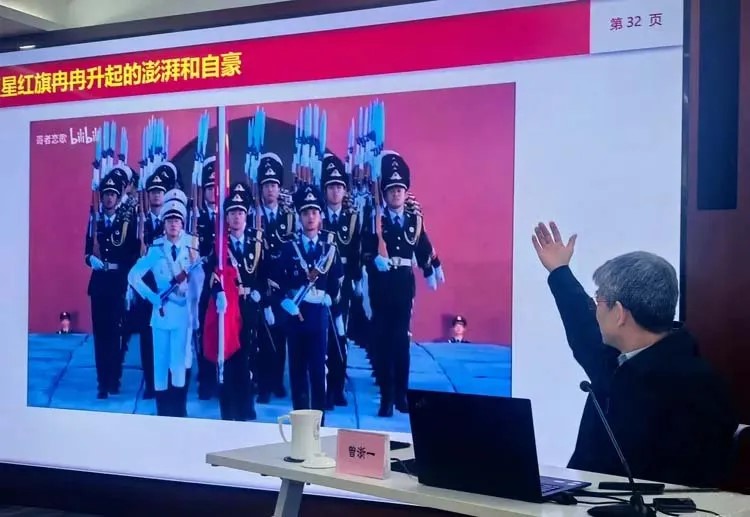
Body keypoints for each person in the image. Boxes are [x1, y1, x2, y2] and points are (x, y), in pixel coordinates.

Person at [531, 221, 738, 488]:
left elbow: (694, 482)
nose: (595, 310)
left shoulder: (697, 388)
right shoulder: (616, 359)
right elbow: (581, 324)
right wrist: (559, 271)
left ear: (619, 314)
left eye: (598, 301)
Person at [362, 151, 440, 417]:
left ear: (406, 193)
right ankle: (386, 398)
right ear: (384, 193)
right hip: (381, 286)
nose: (396, 194)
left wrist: (430, 268)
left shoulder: (414, 220)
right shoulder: (375, 220)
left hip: (404, 286)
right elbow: (364, 250)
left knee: (402, 342)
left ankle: (401, 395)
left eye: (400, 190)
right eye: (391, 190)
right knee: (384, 342)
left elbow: (422, 246)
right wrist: (373, 259)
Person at [127, 196, 204, 417]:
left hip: (182, 314)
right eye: (169, 220)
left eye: (177, 221)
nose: (173, 224)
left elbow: (198, 283)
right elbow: (133, 276)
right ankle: (162, 411)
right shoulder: (156, 250)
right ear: (164, 224)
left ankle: (178, 411)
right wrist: (151, 297)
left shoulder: (191, 249)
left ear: (182, 224)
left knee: (179, 363)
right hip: (161, 313)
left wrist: (195, 311)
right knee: (160, 364)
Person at [275, 184, 343, 419]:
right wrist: (284, 301)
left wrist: (333, 303)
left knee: (317, 369)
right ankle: (300, 420)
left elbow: (336, 280)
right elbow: (278, 281)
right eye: (305, 213)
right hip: (296, 314)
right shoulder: (289, 247)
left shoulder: (329, 247)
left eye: (314, 212)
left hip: (318, 315)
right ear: (299, 217)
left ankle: (318, 421)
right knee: (297, 370)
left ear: (320, 216)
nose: (310, 217)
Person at [203, 183, 265, 421]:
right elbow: (212, 274)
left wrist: (261, 294)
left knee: (249, 357)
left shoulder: (257, 241)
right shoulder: (220, 246)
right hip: (227, 309)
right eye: (232, 213)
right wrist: (217, 292)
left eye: (240, 212)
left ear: (246, 215)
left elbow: (266, 273)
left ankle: (247, 406)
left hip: (248, 306)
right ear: (226, 218)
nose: (236, 217)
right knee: (228, 357)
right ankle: (228, 408)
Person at [85, 171, 140, 399]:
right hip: (99, 285)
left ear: (118, 198)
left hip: (118, 284)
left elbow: (133, 254)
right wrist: (90, 259)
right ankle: (102, 382)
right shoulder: (95, 221)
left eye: (112, 194)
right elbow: (86, 251)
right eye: (106, 194)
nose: (108, 198)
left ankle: (114, 377)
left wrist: (129, 284)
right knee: (100, 335)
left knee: (116, 334)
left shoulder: (127, 221)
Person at [320, 153, 361, 409]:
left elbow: (356, 252)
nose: (335, 191)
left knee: (340, 336)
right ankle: (323, 386)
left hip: (343, 286)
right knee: (322, 336)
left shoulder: (352, 218)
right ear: (325, 190)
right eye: (331, 187)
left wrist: (357, 280)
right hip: (321, 284)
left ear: (345, 191)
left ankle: (338, 386)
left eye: (339, 187)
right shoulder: (316, 217)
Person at [256, 153, 296, 402]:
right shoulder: (253, 215)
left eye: (274, 185)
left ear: (279, 188)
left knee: (280, 334)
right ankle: (263, 384)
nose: (270, 189)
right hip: (260, 282)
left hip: (282, 284)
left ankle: (278, 381)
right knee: (262, 335)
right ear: (260, 188)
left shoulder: (289, 217)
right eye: (266, 185)